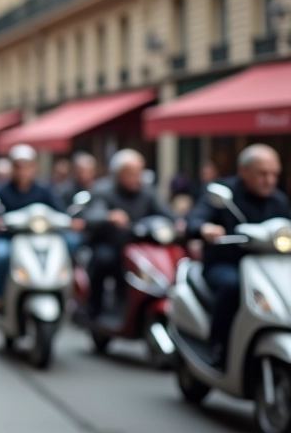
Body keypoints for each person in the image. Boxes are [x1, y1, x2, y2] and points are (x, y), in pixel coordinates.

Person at [187, 144, 290, 367]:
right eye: (263, 173)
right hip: (226, 263)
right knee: (232, 287)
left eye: (274, 174)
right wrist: (206, 229)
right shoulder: (223, 193)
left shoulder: (279, 200)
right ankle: (218, 346)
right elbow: (195, 219)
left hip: (269, 267)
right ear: (244, 171)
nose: (270, 180)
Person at [81, 149, 177, 318]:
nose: (136, 177)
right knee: (104, 260)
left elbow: (166, 213)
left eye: (139, 172)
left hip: (140, 246)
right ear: (118, 173)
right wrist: (109, 217)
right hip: (111, 244)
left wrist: (180, 223)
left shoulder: (147, 192)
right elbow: (92, 214)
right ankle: (95, 308)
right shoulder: (103, 191)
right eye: (130, 173)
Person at [0, 144, 62, 305]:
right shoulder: (1, 190)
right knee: (0, 254)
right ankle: (0, 296)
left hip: (39, 239)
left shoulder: (44, 190)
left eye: (27, 166)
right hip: (10, 238)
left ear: (34, 167)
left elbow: (59, 211)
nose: (23, 171)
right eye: (18, 167)